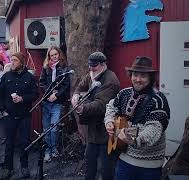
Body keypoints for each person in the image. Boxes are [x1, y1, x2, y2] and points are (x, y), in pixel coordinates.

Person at [104, 56, 170, 180]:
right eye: (135, 75)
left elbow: (154, 129)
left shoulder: (158, 100)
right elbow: (111, 107)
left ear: (150, 78)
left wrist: (135, 139)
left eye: (143, 76)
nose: (138, 79)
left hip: (149, 166)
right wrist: (109, 121)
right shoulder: (124, 93)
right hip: (123, 159)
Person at [71, 52, 120, 180]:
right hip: (93, 130)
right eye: (90, 65)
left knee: (106, 168)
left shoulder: (111, 80)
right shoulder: (92, 74)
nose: (91, 68)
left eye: (94, 66)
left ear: (103, 65)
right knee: (89, 164)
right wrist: (76, 96)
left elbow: (101, 105)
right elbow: (80, 86)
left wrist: (82, 107)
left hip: (107, 129)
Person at [0, 52, 39, 178]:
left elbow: (35, 94)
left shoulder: (29, 77)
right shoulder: (6, 77)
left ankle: (24, 166)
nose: (12, 62)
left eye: (15, 60)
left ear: (21, 62)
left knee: (24, 142)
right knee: (9, 143)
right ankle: (8, 168)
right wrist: (2, 110)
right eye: (11, 60)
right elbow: (0, 95)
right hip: (9, 115)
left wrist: (23, 98)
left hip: (24, 116)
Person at [39, 46, 71, 162]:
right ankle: (48, 151)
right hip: (46, 102)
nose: (54, 57)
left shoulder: (64, 68)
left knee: (53, 128)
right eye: (51, 55)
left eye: (55, 54)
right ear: (49, 56)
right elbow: (41, 83)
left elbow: (66, 84)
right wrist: (48, 95)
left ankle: (54, 150)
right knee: (46, 129)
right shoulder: (45, 68)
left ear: (59, 54)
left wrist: (56, 95)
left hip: (57, 103)